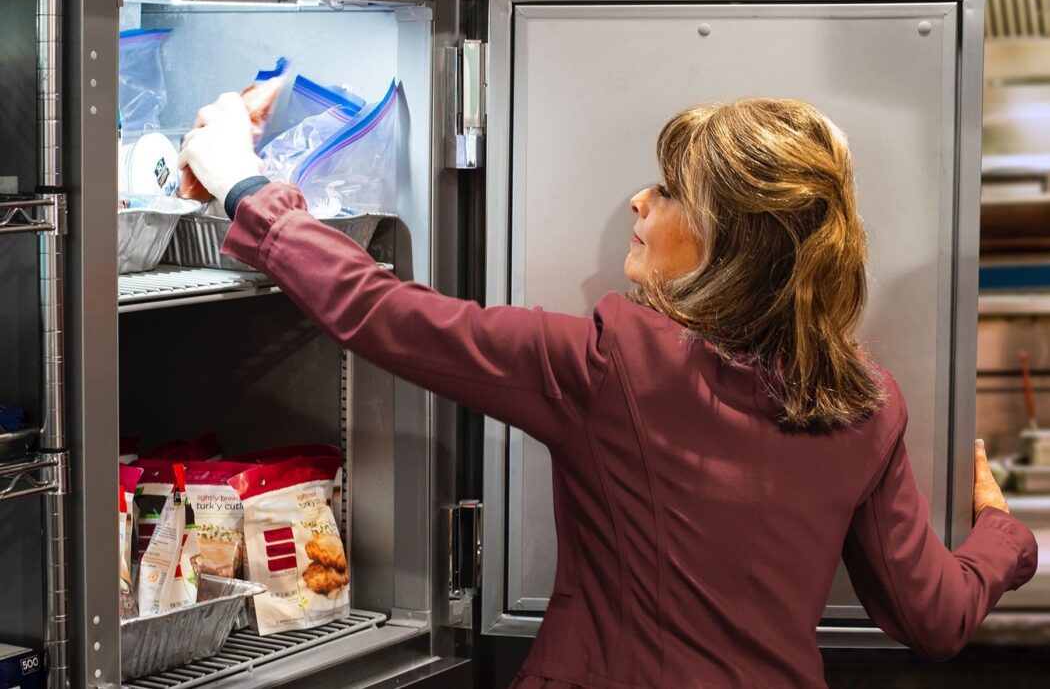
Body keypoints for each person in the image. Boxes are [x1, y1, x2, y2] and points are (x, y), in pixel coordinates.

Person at [180, 94, 1036, 689]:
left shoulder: (614, 364)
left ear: (718, 242)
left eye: (665, 192)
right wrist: (1001, 532)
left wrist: (244, 186)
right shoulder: (866, 403)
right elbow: (934, 616)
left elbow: (381, 312)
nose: (638, 199)